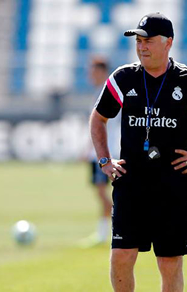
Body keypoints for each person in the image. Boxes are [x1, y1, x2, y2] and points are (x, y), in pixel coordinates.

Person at [89, 12, 187, 292]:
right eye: (138, 40)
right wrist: (105, 160)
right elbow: (98, 118)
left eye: (148, 40)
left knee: (169, 262)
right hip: (130, 183)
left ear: (168, 42)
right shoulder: (123, 78)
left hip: (173, 186)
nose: (141, 46)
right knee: (122, 256)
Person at [80, 57, 118, 247]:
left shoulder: (107, 92)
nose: (90, 75)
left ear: (102, 72)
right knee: (103, 193)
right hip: (100, 151)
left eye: (93, 71)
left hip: (106, 152)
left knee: (104, 193)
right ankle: (103, 233)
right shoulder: (100, 92)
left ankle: (119, 225)